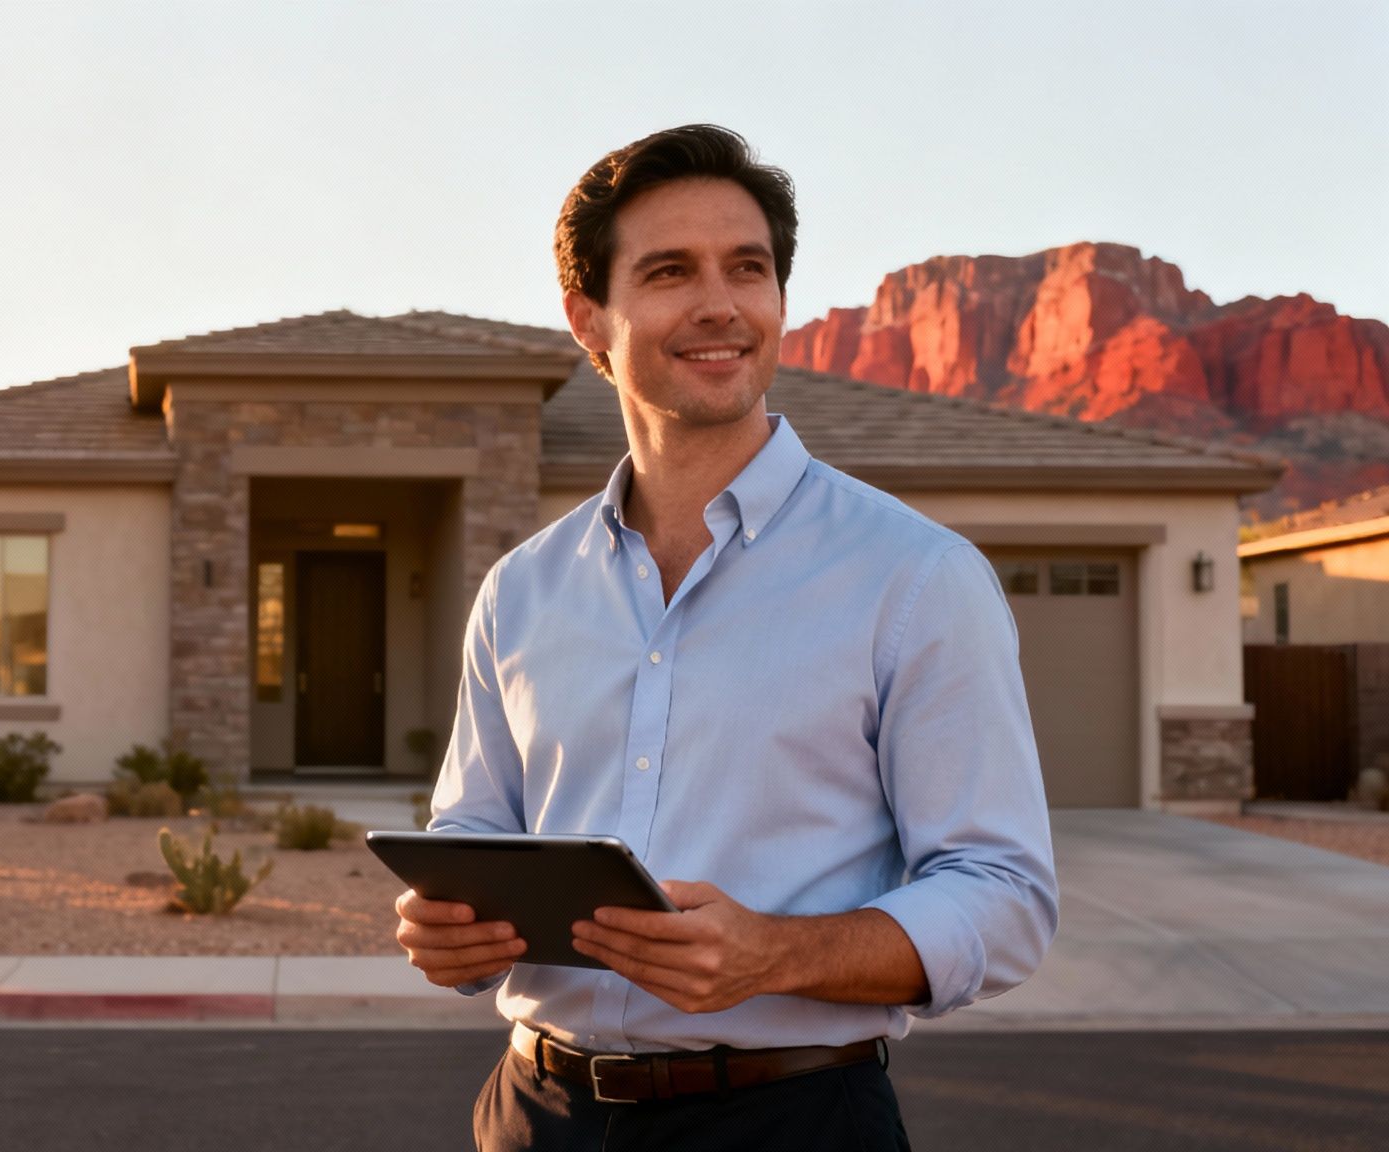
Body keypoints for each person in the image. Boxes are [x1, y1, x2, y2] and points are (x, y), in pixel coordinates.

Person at [393, 124, 1059, 1150]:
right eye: (668, 272)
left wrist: (775, 955)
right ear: (589, 320)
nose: (719, 305)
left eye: (745, 269)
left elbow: (1003, 899)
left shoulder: (915, 579)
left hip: (790, 1120)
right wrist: (450, 931)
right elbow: (474, 835)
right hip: (535, 1116)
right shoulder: (520, 590)